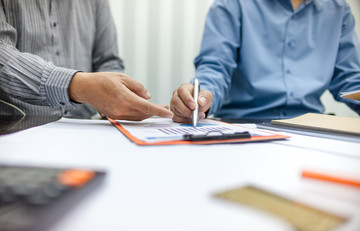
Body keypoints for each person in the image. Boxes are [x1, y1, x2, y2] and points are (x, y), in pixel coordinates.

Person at [171, 0, 360, 123]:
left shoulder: (339, 10)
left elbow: (349, 79)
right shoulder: (232, 5)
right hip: (245, 128)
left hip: (313, 128)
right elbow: (215, 68)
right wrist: (202, 97)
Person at [0, 0, 173, 121]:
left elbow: (108, 61)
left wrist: (115, 99)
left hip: (85, 129)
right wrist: (76, 86)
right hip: (15, 130)